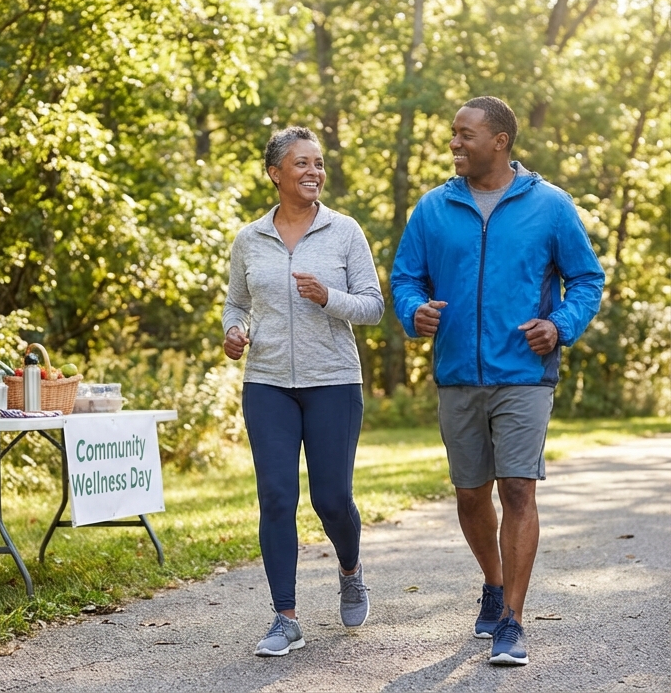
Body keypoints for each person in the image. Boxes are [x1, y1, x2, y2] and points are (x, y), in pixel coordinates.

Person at [391, 96, 604, 666]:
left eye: (465, 134)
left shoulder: (551, 206)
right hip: (458, 372)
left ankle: (512, 618)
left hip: (525, 376)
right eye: (454, 134)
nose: (455, 143)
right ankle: (492, 581)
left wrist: (559, 326)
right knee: (469, 494)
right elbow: (405, 277)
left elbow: (586, 278)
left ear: (500, 141)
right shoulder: (433, 209)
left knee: (518, 489)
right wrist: (415, 312)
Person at [221, 126, 384, 657]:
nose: (314, 172)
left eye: (318, 164)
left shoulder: (345, 232)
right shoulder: (250, 238)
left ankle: (351, 569)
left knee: (332, 498)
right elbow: (236, 304)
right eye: (302, 164)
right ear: (275, 174)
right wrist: (234, 332)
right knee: (275, 497)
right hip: (267, 382)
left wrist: (328, 297)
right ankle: (285, 616)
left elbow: (373, 306)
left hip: (333, 380)